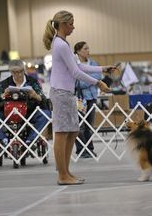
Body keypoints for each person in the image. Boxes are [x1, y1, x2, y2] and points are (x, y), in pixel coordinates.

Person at [43, 10, 114, 185]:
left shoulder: (63, 43)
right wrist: (98, 83)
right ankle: (62, 175)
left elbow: (78, 66)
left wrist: (103, 68)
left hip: (66, 93)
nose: (73, 27)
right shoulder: (60, 44)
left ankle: (66, 172)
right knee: (61, 133)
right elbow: (76, 72)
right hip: (61, 93)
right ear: (62, 24)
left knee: (73, 131)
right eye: (71, 24)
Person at [0, 60, 51, 147]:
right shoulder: (4, 83)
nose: (19, 74)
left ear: (24, 70)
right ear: (11, 72)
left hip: (29, 113)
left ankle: (31, 139)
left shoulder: (32, 82)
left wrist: (35, 95)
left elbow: (43, 100)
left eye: (21, 71)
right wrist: (3, 95)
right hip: (8, 113)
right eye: (15, 72)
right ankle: (2, 139)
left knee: (46, 114)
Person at [73, 41, 101, 158]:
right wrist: (89, 81)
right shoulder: (74, 64)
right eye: (85, 49)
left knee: (90, 125)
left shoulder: (93, 63)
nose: (88, 51)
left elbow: (97, 76)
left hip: (92, 98)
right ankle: (81, 149)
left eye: (88, 48)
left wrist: (85, 80)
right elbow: (75, 80)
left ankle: (89, 149)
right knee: (79, 125)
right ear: (78, 51)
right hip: (79, 99)